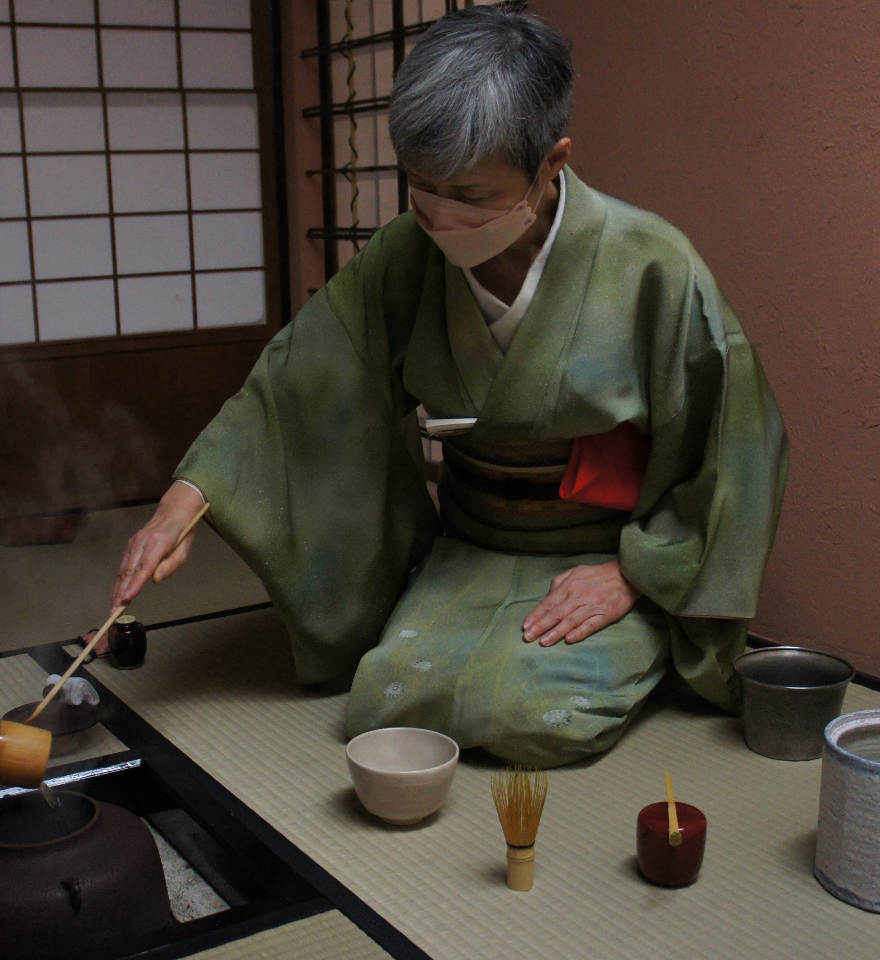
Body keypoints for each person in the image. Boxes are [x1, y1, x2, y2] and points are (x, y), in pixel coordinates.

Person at [108, 5, 788, 768]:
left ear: (552, 163)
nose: (437, 215)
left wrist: (637, 573)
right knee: (385, 708)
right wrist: (182, 505)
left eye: (468, 195)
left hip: (601, 552)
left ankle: (652, 627)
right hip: (474, 541)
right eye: (419, 185)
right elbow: (299, 387)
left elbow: (734, 447)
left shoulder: (655, 267)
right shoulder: (407, 255)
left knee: (534, 717)